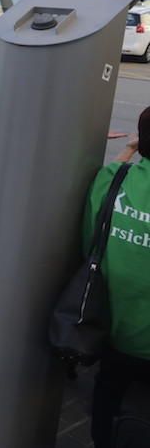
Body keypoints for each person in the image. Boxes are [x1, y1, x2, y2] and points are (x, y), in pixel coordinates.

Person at [86, 107, 150, 447]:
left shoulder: (115, 180)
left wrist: (130, 149)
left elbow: (89, 243)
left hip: (113, 323)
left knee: (108, 391)